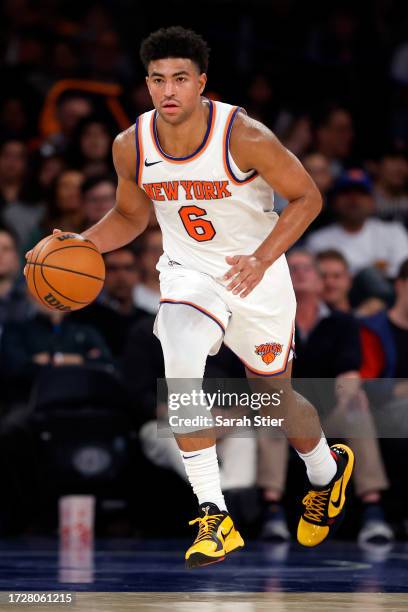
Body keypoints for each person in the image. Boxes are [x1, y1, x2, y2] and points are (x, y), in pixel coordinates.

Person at [26, 26, 355, 568]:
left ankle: (325, 470)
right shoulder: (131, 144)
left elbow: (308, 197)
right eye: (157, 80)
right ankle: (213, 513)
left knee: (274, 400)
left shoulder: (244, 134)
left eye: (180, 78)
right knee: (179, 358)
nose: (168, 90)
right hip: (187, 273)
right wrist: (84, 242)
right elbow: (132, 215)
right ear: (148, 84)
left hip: (258, 272)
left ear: (201, 82)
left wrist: (263, 257)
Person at [257, 250, 392, 545]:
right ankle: (272, 510)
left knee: (357, 411)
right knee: (273, 411)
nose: (301, 273)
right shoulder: (269, 322)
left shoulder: (343, 323)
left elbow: (349, 370)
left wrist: (348, 395)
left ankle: (373, 510)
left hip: (331, 410)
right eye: (293, 269)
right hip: (287, 410)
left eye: (308, 269)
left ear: (320, 282)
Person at [307, 168, 408, 278]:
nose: (354, 199)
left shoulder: (394, 233)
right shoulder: (319, 240)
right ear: (334, 201)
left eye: (361, 193)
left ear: (372, 201)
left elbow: (403, 274)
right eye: (346, 192)